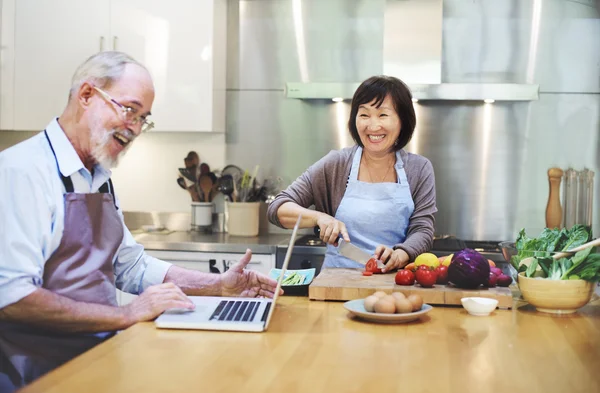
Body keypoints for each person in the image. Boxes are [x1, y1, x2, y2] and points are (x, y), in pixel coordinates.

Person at [0, 51, 280, 392]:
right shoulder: (20, 172)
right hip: (39, 375)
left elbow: (129, 266)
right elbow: (11, 298)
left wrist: (218, 286)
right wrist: (126, 314)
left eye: (143, 118)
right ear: (87, 95)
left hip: (97, 361)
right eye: (129, 109)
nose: (134, 128)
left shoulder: (98, 174)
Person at [267, 75, 437, 272]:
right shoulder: (336, 164)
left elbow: (423, 229)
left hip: (394, 284)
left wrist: (401, 254)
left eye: (383, 115)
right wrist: (320, 218)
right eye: (364, 115)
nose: (373, 126)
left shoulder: (419, 168)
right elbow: (277, 208)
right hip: (336, 282)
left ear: (402, 120)